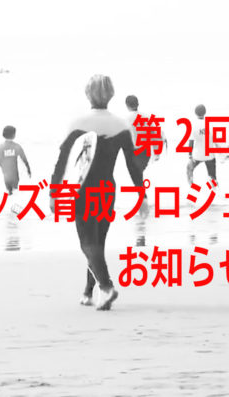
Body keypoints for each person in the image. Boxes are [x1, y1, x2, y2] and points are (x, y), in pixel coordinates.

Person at [50, 75, 146, 311]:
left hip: (82, 191)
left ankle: (106, 286)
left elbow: (63, 160)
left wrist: (54, 191)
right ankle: (88, 292)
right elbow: (133, 165)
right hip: (107, 189)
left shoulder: (78, 123)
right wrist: (142, 195)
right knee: (98, 242)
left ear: (87, 94)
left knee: (87, 243)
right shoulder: (121, 125)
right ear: (111, 95)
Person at [124, 95, 166, 172]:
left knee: (135, 174)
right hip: (145, 151)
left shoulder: (126, 119)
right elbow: (158, 134)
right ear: (138, 104)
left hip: (133, 151)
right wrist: (157, 153)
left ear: (127, 105)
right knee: (140, 172)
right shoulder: (147, 117)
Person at [0, 125, 32, 195]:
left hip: (6, 174)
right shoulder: (16, 146)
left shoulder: (0, 147)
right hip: (15, 174)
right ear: (14, 135)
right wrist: (28, 170)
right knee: (15, 191)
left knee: (9, 190)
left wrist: (3, 165)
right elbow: (24, 159)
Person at [186, 104, 217, 185]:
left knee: (189, 169)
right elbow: (216, 140)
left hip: (197, 155)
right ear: (205, 112)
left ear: (195, 113)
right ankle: (214, 186)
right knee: (212, 176)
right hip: (210, 155)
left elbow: (191, 142)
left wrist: (190, 156)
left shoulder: (193, 125)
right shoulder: (210, 124)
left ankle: (191, 185)